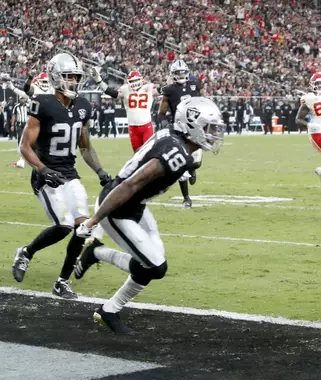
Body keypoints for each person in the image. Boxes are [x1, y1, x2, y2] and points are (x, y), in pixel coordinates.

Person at [74, 97, 225, 334]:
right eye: (208, 128)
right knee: (156, 266)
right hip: (118, 206)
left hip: (136, 205)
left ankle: (109, 310)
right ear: (191, 125)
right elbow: (131, 185)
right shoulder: (176, 151)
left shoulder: (176, 142)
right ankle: (98, 261)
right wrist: (94, 221)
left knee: (152, 261)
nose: (213, 134)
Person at [12, 53, 111, 299]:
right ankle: (26, 252)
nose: (73, 82)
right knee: (64, 225)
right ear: (56, 77)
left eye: (76, 77)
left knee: (83, 228)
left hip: (69, 173)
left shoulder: (83, 107)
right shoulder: (42, 103)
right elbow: (24, 147)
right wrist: (43, 169)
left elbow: (85, 146)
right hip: (45, 174)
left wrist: (100, 171)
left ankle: (61, 282)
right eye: (68, 76)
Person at [158, 59, 203, 208]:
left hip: (195, 128)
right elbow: (162, 113)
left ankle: (192, 168)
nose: (181, 75)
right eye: (178, 73)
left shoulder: (195, 85)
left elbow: (203, 102)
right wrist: (165, 124)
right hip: (178, 128)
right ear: (173, 74)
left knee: (196, 162)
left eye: (183, 72)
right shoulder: (169, 90)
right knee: (181, 165)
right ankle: (187, 198)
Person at [91, 69, 160, 151]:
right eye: (132, 81)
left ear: (141, 80)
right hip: (133, 128)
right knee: (137, 155)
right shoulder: (125, 89)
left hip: (146, 126)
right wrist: (99, 81)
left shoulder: (148, 88)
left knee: (149, 153)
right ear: (128, 82)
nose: (134, 83)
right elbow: (110, 92)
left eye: (136, 80)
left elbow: (164, 90)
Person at [10, 96, 29, 167]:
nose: (22, 100)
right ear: (19, 99)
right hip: (19, 124)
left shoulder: (28, 106)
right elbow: (14, 115)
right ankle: (21, 150)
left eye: (23, 98)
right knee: (20, 137)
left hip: (27, 124)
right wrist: (12, 125)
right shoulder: (16, 107)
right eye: (21, 98)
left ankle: (28, 150)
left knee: (28, 138)